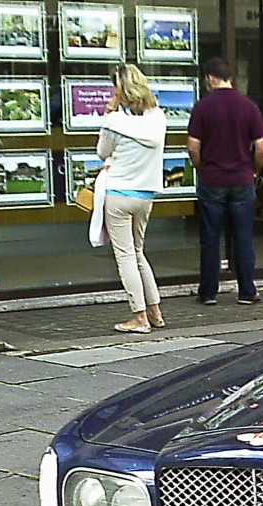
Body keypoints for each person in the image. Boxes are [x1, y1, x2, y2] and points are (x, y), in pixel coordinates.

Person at [187, 57, 263, 305]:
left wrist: (202, 168)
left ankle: (209, 292)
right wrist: (253, 171)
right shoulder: (249, 107)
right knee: (243, 237)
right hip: (242, 179)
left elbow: (193, 147)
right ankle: (247, 291)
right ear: (230, 78)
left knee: (210, 238)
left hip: (212, 179)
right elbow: (262, 148)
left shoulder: (202, 107)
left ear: (210, 78)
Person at [98, 63, 167, 334]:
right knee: (138, 253)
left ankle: (139, 318)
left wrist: (108, 115)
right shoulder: (158, 117)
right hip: (145, 195)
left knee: (125, 256)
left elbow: (102, 151)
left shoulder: (116, 120)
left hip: (118, 194)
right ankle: (155, 312)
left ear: (121, 89)